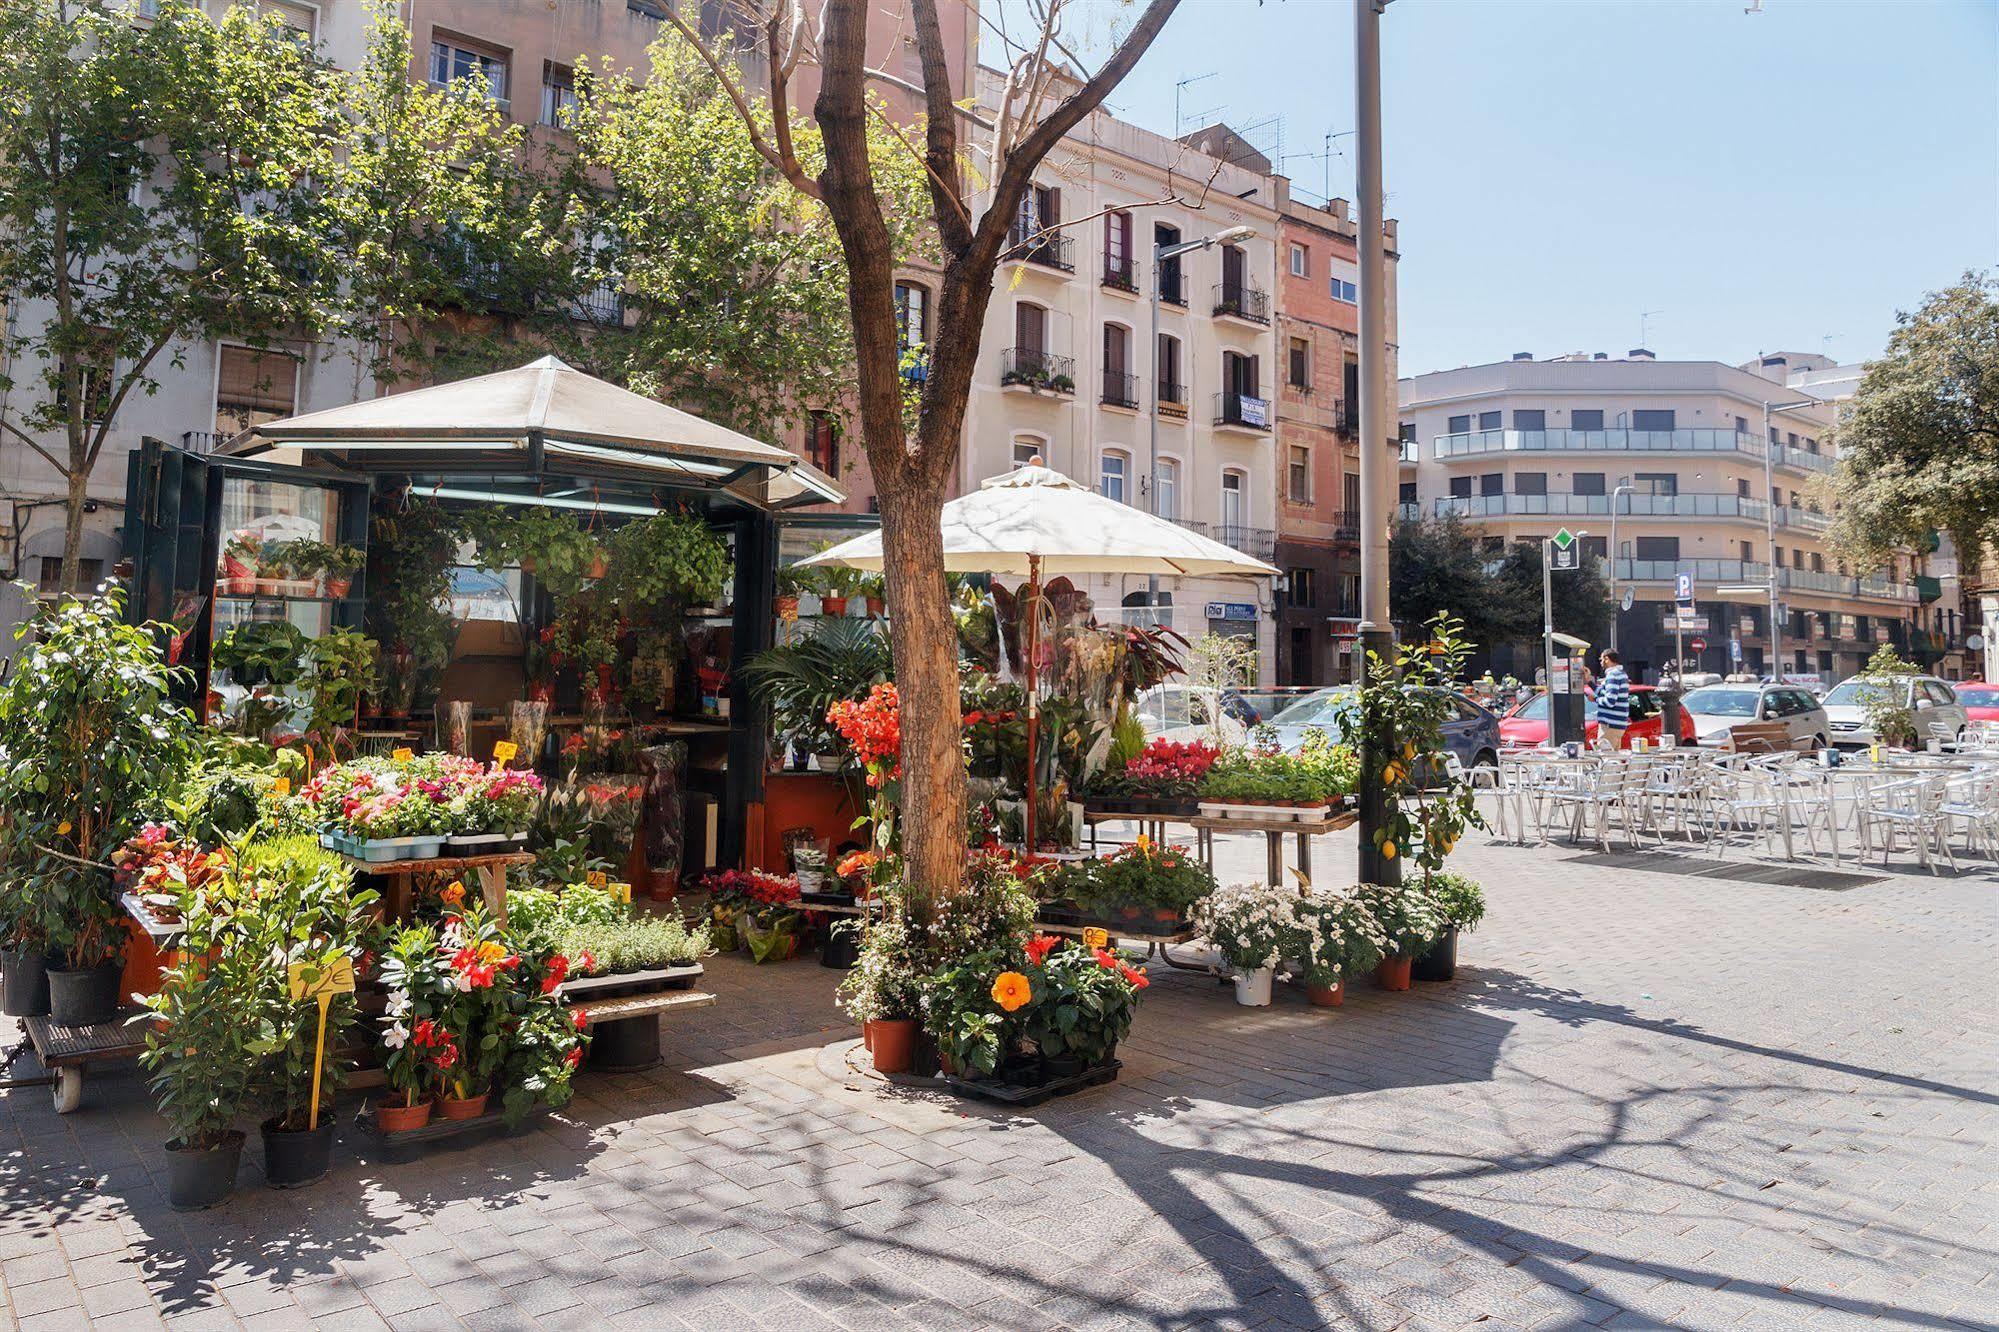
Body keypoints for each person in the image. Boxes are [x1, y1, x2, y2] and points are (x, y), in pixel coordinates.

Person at [1596, 649, 1631, 750]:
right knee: (1614, 759)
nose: (1601, 662)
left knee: (1605, 757)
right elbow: (1605, 692)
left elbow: (1610, 701)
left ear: (1607, 659)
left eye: (1601, 659)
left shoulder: (1613, 675)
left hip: (1609, 724)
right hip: (1618, 724)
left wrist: (1596, 700)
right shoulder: (1622, 674)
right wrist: (1590, 682)